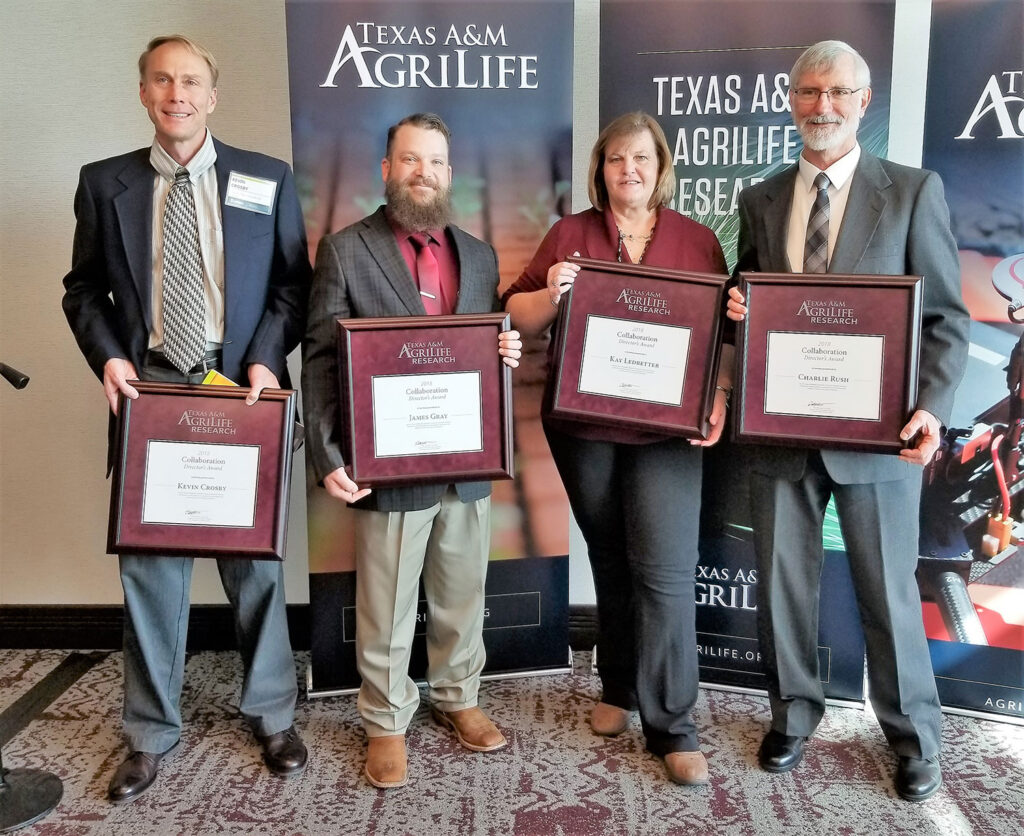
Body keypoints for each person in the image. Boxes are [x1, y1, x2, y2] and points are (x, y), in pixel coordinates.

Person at [61, 35, 311, 804]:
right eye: (162, 80)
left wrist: (268, 363)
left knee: (256, 568)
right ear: (143, 93)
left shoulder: (266, 179)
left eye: (192, 81)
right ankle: (148, 733)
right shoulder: (105, 184)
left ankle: (272, 713)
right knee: (150, 573)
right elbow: (82, 290)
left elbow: (291, 287)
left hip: (240, 393)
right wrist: (110, 360)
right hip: (154, 397)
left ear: (213, 96)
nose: (177, 92)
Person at [726, 40, 970, 802]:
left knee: (890, 594)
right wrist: (737, 312)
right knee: (782, 587)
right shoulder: (760, 199)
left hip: (878, 439)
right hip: (782, 435)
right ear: (790, 100)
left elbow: (948, 321)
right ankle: (794, 713)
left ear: (864, 103)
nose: (821, 106)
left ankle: (913, 736)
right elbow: (748, 300)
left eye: (837, 92)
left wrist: (931, 405)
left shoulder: (910, 191)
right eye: (807, 92)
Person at [503, 112, 730, 786]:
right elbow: (515, 311)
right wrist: (552, 291)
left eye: (641, 159)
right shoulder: (570, 234)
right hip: (584, 427)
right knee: (610, 556)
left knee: (662, 568)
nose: (627, 170)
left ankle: (674, 724)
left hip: (667, 433)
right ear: (599, 169)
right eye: (614, 160)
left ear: (661, 168)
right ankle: (619, 687)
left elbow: (720, 333)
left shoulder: (697, 241)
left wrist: (716, 395)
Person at [301, 113, 523, 789]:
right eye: (409, 159)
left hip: (464, 464)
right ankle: (386, 720)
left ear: (450, 175)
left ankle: (459, 696)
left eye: (435, 161)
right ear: (387, 170)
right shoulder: (345, 250)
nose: (422, 172)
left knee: (462, 593)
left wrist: (503, 351)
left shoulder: (479, 257)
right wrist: (326, 452)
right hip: (388, 466)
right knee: (387, 602)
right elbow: (317, 358)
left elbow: (480, 349)